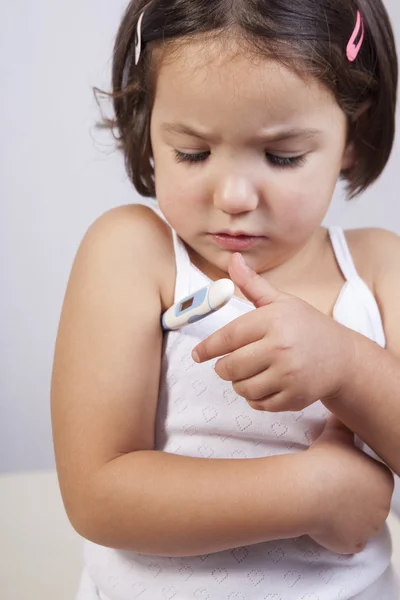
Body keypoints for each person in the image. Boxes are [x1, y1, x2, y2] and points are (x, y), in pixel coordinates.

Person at [51, 1, 400, 598]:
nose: (235, 195)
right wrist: (311, 495)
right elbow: (97, 495)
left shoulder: (377, 267)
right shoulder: (135, 254)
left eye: (282, 156)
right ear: (146, 121)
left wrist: (346, 366)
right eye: (193, 152)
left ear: (352, 131)